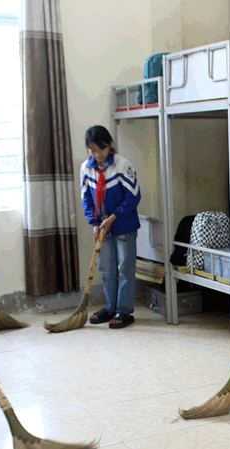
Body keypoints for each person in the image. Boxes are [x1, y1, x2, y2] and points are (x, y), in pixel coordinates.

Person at [81, 126, 141, 329]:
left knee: (124, 268)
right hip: (103, 228)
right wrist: (95, 223)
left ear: (110, 145)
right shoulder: (86, 169)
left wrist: (113, 218)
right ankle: (110, 307)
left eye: (102, 149)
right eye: (93, 150)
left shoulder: (123, 166)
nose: (98, 155)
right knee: (106, 268)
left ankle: (123, 311)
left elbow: (133, 197)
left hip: (123, 225)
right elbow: (87, 199)